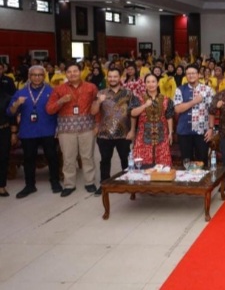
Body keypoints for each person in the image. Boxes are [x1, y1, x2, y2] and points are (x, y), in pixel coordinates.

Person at [6, 65, 61, 198]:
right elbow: (10, 112)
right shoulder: (21, 92)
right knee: (29, 159)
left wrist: (59, 128)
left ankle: (55, 182)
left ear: (44, 76)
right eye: (34, 75)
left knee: (52, 157)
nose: (37, 77)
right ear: (29, 77)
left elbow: (58, 110)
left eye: (40, 75)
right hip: (28, 132)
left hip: (48, 130)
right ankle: (30, 185)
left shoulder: (51, 91)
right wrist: (16, 104)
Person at [46, 62, 98, 197]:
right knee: (68, 158)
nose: (72, 74)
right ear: (65, 74)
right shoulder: (58, 89)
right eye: (69, 72)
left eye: (75, 71)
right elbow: (49, 109)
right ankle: (69, 184)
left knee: (88, 157)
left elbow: (97, 107)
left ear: (80, 72)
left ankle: (89, 182)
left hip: (87, 127)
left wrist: (97, 125)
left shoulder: (91, 87)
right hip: (66, 130)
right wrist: (61, 101)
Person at [91, 68, 135, 196]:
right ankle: (104, 184)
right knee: (105, 160)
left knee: (125, 160)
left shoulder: (128, 93)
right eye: (110, 77)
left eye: (115, 76)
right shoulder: (101, 93)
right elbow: (93, 112)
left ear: (120, 77)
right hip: (105, 134)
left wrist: (132, 130)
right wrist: (99, 101)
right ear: (107, 78)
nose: (112, 79)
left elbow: (133, 113)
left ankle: (128, 183)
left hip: (124, 133)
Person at [174, 65, 215, 166]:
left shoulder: (208, 90)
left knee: (202, 161)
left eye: (193, 73)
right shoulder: (180, 89)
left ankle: (204, 182)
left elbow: (212, 110)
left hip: (202, 131)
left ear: (198, 75)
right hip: (184, 131)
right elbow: (177, 109)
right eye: (188, 73)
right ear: (186, 76)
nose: (191, 75)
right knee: (186, 162)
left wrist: (210, 128)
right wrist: (194, 101)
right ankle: (188, 181)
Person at [130, 73, 175, 166]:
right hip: (143, 135)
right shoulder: (138, 98)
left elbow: (169, 116)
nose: (151, 84)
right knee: (142, 165)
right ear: (145, 84)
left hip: (162, 134)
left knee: (162, 165)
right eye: (148, 82)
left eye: (153, 81)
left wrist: (170, 132)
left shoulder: (166, 99)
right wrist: (144, 105)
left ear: (158, 83)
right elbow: (132, 113)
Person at [0, 89, 14, 197]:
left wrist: (14, 133)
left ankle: (1, 186)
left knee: (3, 158)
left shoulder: (7, 97)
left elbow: (12, 116)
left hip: (4, 131)